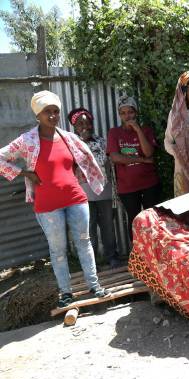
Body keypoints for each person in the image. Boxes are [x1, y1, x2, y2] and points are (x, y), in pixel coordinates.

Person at [0, 91, 110, 307]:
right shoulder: (27, 140)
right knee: (57, 250)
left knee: (84, 242)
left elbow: (85, 156)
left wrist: (82, 169)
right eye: (47, 112)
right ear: (38, 115)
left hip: (76, 198)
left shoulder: (69, 138)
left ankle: (94, 286)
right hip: (47, 205)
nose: (52, 115)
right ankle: (66, 293)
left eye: (55, 111)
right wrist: (25, 173)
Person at [68, 107, 121, 269]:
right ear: (74, 127)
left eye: (88, 122)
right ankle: (93, 263)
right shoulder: (70, 145)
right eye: (80, 123)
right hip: (83, 195)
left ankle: (112, 257)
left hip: (104, 192)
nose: (85, 126)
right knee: (88, 230)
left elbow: (106, 165)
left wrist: (115, 193)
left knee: (108, 226)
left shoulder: (101, 141)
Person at [106, 95, 161, 241]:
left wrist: (138, 130)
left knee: (154, 218)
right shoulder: (114, 133)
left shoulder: (146, 130)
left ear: (135, 112)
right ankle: (138, 255)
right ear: (119, 115)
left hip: (149, 183)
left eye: (130, 112)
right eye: (123, 113)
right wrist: (141, 159)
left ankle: (156, 252)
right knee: (134, 220)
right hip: (127, 187)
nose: (127, 116)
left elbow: (149, 152)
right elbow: (115, 157)